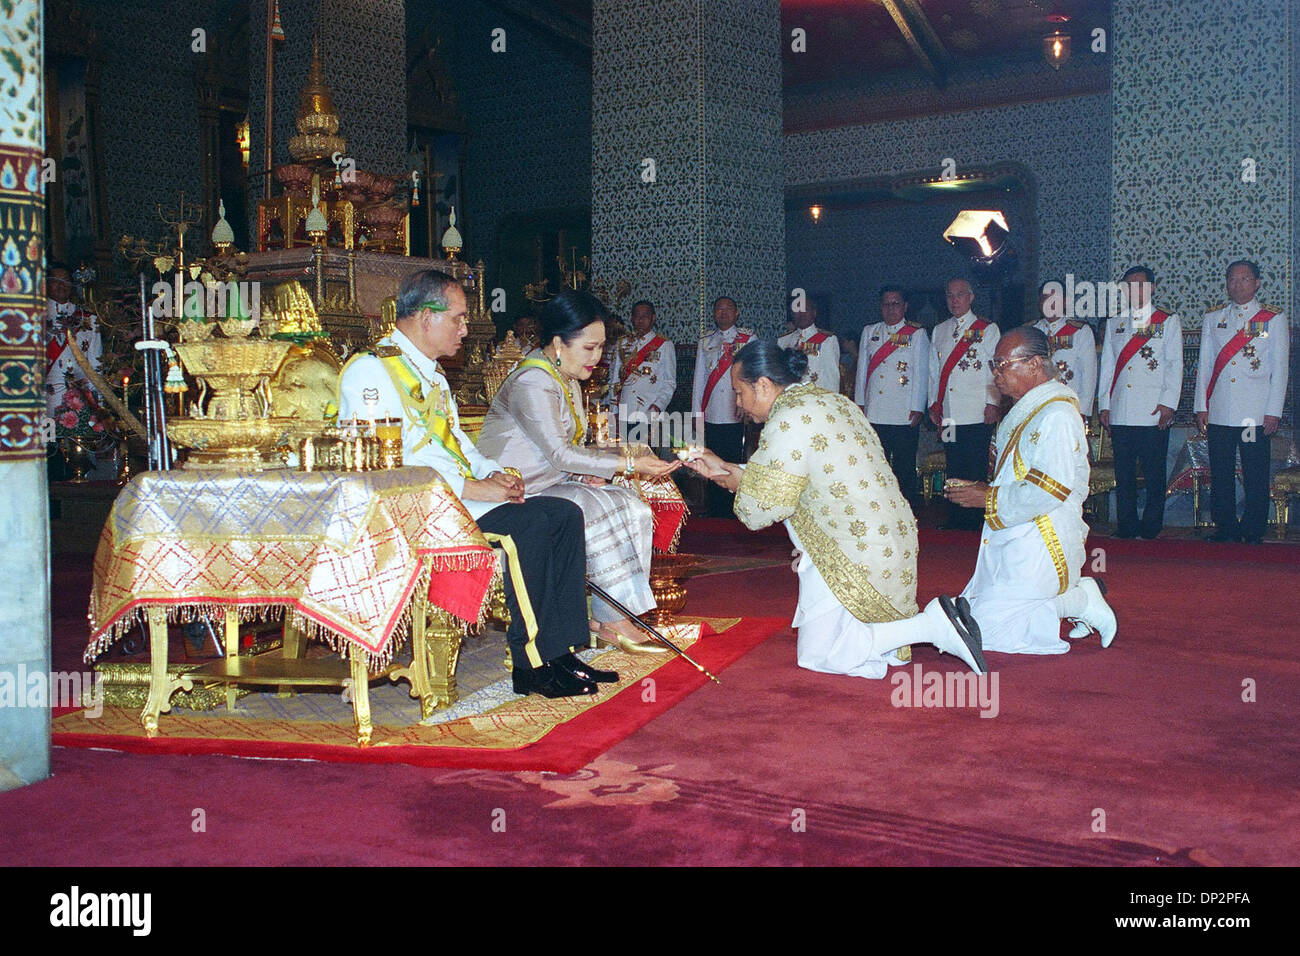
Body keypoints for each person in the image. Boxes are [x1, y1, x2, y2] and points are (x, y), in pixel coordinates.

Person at [338, 269, 611, 698]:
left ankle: (562, 651)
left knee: (563, 513)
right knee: (530, 526)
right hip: (412, 508)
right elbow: (386, 460)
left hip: (455, 497)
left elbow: (457, 444)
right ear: (426, 317)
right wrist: (472, 488)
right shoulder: (370, 371)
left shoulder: (430, 374)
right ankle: (531, 664)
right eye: (459, 319)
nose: (466, 330)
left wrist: (493, 473)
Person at [684, 340, 985, 679]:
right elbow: (789, 476)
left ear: (764, 385)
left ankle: (931, 627)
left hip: (853, 551)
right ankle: (917, 629)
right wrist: (723, 467)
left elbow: (763, 506)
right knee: (846, 649)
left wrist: (730, 479)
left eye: (739, 392)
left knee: (820, 654)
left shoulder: (788, 417)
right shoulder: (827, 399)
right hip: (886, 541)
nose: (738, 405)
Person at [477, 289, 681, 653]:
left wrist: (589, 472)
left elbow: (565, 452)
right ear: (558, 343)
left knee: (631, 504)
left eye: (601, 347)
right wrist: (628, 463)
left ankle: (613, 616)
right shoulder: (532, 381)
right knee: (596, 508)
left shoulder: (565, 377)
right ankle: (614, 621)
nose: (598, 358)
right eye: (590, 348)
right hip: (517, 491)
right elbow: (558, 452)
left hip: (551, 481)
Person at [940, 325, 1116, 654]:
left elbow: (1051, 490)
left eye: (1002, 364)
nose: (996, 374)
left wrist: (987, 497)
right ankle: (1077, 597)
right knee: (974, 617)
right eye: (994, 365)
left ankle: (1078, 599)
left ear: (1034, 365)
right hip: (1014, 531)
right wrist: (983, 488)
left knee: (988, 634)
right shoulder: (1025, 411)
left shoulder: (1058, 415)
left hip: (1044, 537)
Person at [1194, 260, 1289, 544]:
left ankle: (1253, 527)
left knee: (1254, 470)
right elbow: (1205, 364)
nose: (1238, 284)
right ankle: (1225, 527)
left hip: (1252, 413)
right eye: (1232, 279)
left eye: (1245, 279)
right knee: (1220, 470)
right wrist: (1202, 405)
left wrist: (1273, 411)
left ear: (1257, 282)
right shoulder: (1214, 318)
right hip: (1221, 410)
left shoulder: (1272, 318)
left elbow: (1279, 368)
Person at [1097, 266, 1182, 539]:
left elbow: (1174, 364)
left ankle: (1151, 526)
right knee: (1124, 474)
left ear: (1152, 288)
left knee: (1155, 472)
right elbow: (1108, 367)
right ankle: (1126, 524)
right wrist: (1104, 405)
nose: (1135, 291)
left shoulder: (1167, 321)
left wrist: (1168, 403)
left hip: (1152, 409)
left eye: (1141, 285)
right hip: (1121, 409)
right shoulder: (1115, 323)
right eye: (1129, 286)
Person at [928, 278, 1001, 530]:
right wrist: (933, 404)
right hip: (948, 413)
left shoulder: (987, 329)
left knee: (975, 463)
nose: (954, 300)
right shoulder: (939, 330)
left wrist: (993, 402)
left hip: (976, 411)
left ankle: (974, 519)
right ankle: (955, 516)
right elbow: (933, 372)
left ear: (971, 297)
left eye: (960, 295)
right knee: (954, 462)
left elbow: (994, 369)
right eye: (950, 295)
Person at [855, 285, 929, 504]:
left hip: (902, 409)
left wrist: (918, 406)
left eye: (895, 303)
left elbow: (921, 372)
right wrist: (860, 402)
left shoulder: (916, 333)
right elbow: (861, 370)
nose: (890, 308)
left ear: (905, 306)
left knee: (904, 464)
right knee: (877, 462)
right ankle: (878, 506)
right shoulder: (870, 331)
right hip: (875, 409)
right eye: (886, 304)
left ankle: (906, 508)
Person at [691, 296, 754, 516]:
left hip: (736, 410)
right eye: (719, 309)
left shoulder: (748, 338)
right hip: (712, 409)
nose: (723, 313)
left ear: (737, 313)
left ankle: (734, 509)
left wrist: (748, 406)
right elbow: (699, 378)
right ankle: (715, 508)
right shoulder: (705, 340)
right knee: (711, 460)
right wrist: (696, 411)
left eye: (728, 309)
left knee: (733, 461)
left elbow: (752, 375)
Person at [608, 299, 676, 440]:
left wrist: (658, 406)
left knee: (647, 457)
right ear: (631, 318)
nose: (640, 319)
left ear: (653, 318)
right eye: (637, 315)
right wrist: (614, 410)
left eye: (645, 315)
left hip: (648, 411)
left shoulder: (664, 344)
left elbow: (669, 382)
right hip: (625, 411)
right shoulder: (622, 343)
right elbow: (614, 380)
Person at [44, 263, 102, 422]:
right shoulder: (35, 317)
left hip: (79, 398)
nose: (61, 285)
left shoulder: (88, 319)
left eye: (65, 280)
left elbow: (96, 363)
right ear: (46, 284)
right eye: (56, 280)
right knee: (49, 442)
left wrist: (98, 401)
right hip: (45, 399)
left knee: (77, 444)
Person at [1033, 280, 1097, 420]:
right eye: (1045, 298)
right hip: (1037, 405)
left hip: (1068, 404)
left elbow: (1089, 375)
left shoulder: (1080, 331)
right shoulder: (1031, 331)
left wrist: (1083, 410)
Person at [778, 298, 840, 393]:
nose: (801, 314)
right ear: (792, 314)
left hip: (815, 397)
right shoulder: (783, 340)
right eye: (797, 310)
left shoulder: (827, 340)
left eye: (805, 310)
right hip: (789, 397)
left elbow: (832, 377)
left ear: (814, 313)